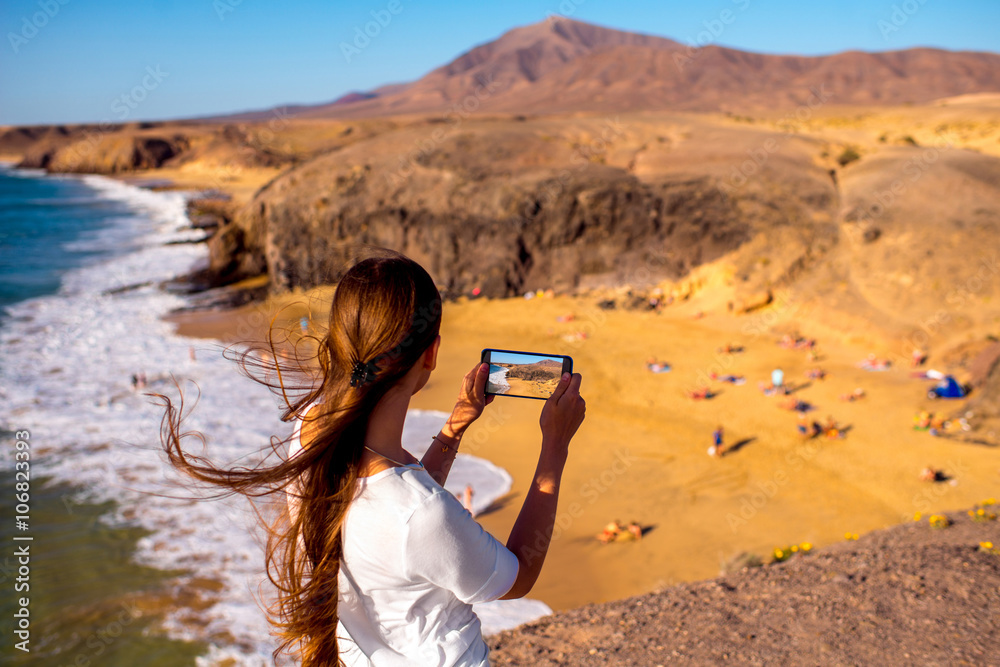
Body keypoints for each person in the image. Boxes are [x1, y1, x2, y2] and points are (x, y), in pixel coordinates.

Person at [151, 254, 586, 666]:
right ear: (431, 354)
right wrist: (555, 447)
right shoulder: (421, 512)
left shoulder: (309, 432)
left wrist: (453, 429)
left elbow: (401, 525)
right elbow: (519, 575)